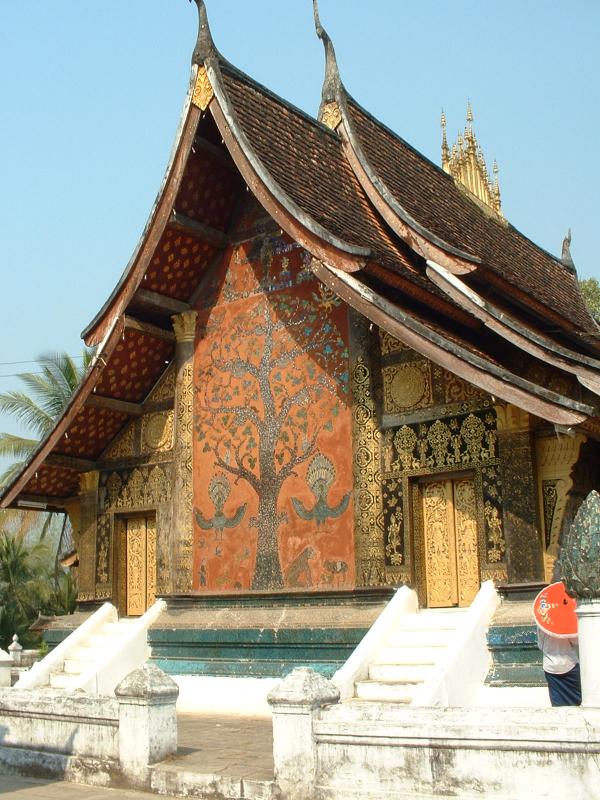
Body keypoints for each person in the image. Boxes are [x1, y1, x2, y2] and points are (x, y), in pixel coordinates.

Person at [536, 628, 581, 706]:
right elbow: (575, 642)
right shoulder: (566, 621)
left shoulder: (543, 620)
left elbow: (540, 645)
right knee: (577, 698)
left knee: (557, 702)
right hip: (569, 663)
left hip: (550, 665)